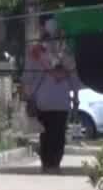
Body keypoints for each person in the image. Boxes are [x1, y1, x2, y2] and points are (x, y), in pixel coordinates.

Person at [22, 18, 82, 174]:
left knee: (46, 135)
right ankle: (53, 165)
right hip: (61, 102)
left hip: (43, 101)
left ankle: (47, 164)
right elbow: (75, 82)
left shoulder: (35, 54)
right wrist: (75, 98)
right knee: (58, 135)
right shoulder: (66, 54)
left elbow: (27, 79)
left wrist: (29, 98)